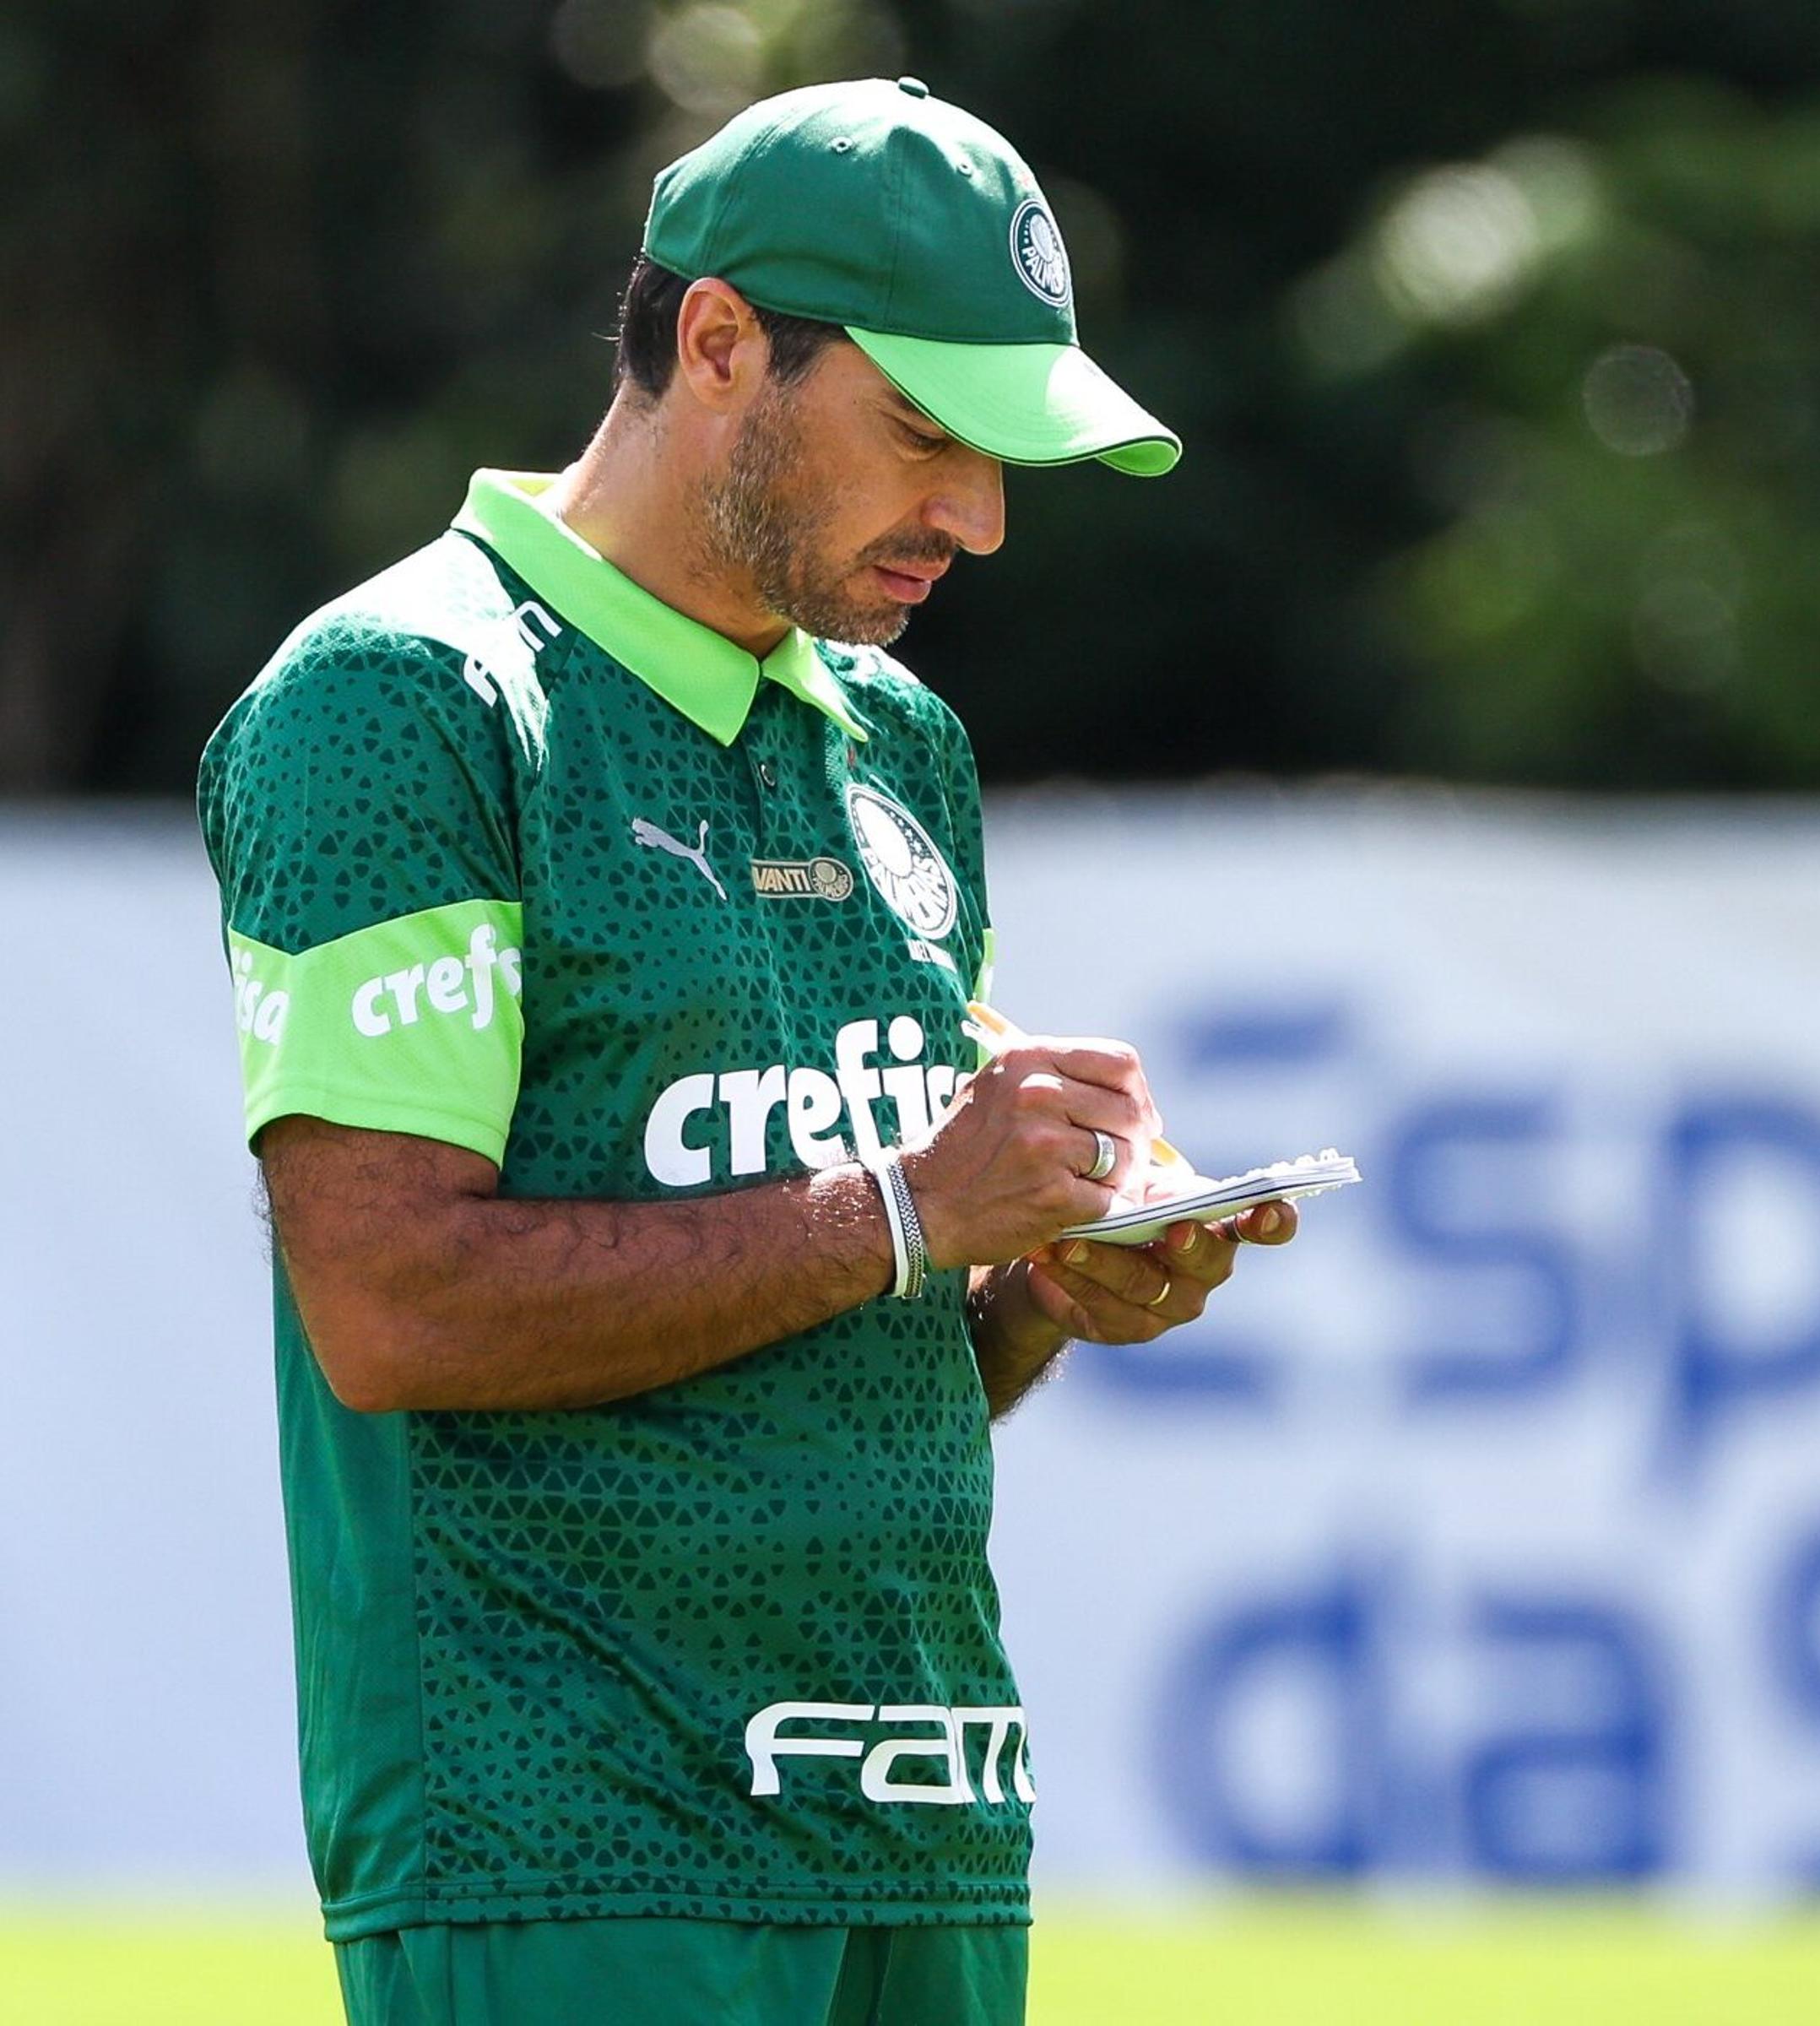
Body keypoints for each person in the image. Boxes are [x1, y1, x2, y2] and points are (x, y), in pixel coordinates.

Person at [198, 76, 1284, 2026]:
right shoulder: (402, 701)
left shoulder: (901, 744)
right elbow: (389, 1307)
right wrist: (902, 1204)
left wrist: (1027, 1282)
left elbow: (842, 1329)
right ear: (719, 345)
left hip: (922, 1825)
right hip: (570, 1851)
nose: (978, 517)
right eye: (929, 431)